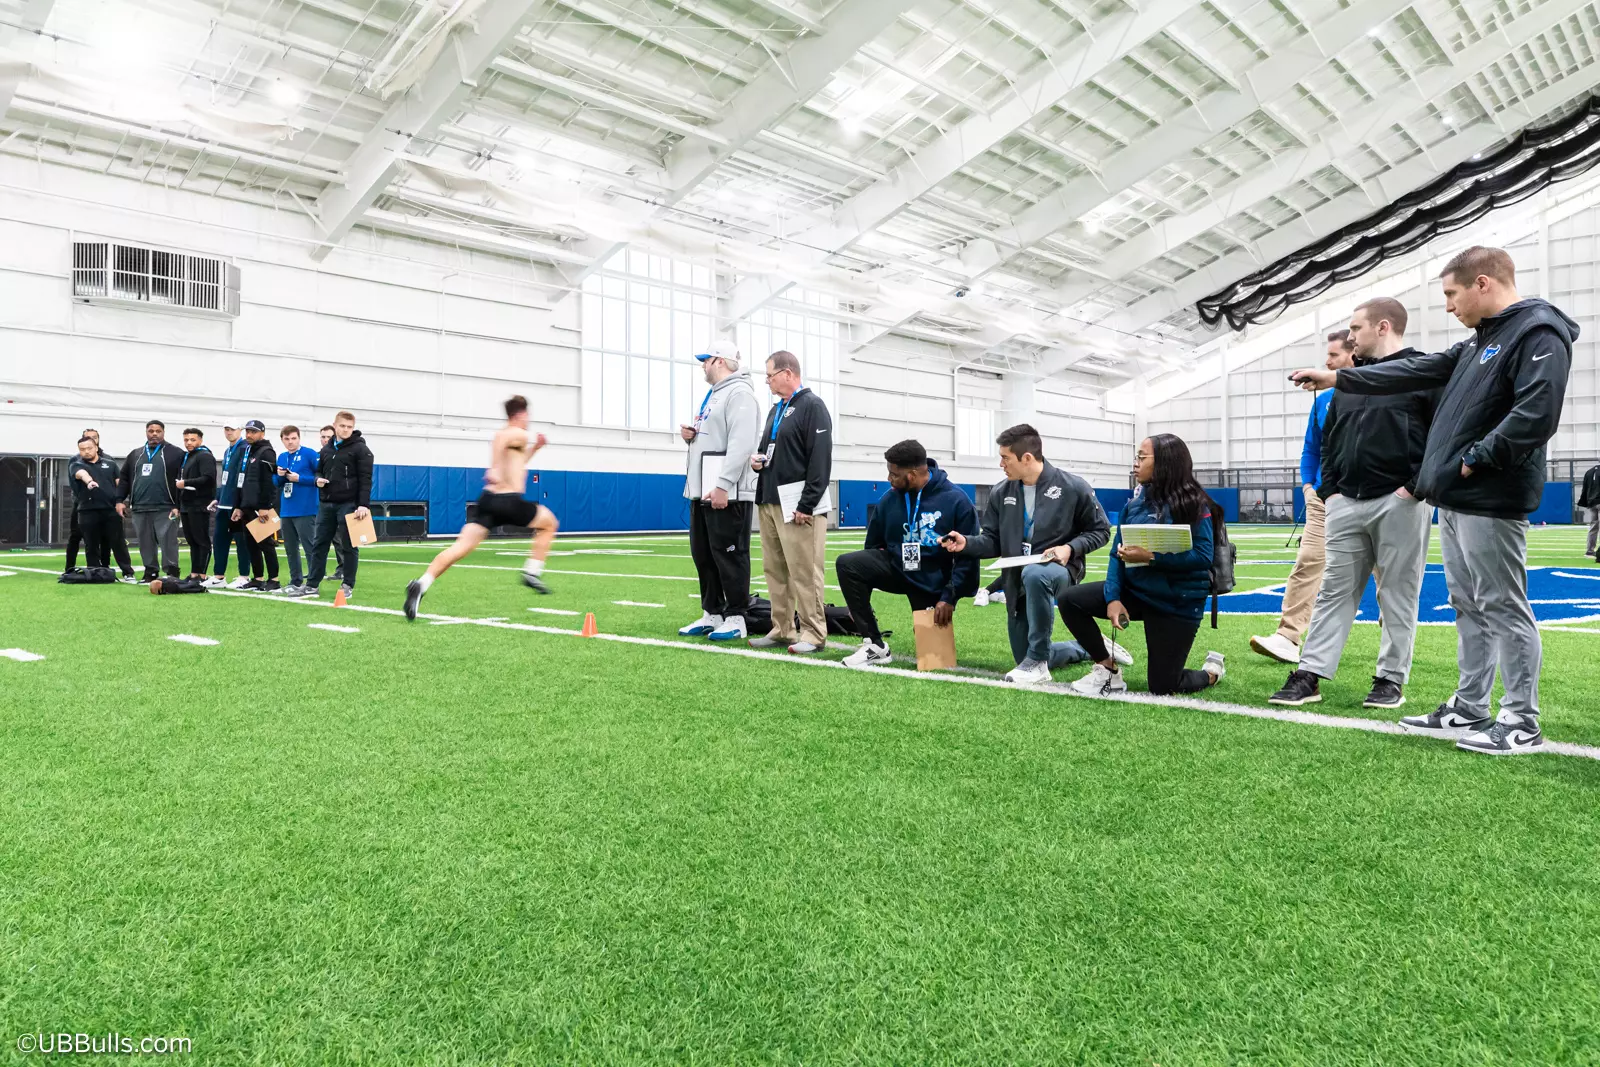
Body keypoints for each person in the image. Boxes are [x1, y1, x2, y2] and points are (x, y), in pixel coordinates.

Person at [1290, 246, 1577, 755]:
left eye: (1451, 293)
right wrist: (1339, 377)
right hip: (1459, 496)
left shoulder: (1537, 330)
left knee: (1503, 605)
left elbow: (1538, 410)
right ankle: (1470, 706)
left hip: (1491, 494)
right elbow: (1411, 372)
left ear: (1482, 283)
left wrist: (1479, 456)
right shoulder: (1477, 344)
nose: (1447, 305)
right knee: (1469, 604)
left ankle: (1522, 721)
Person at [1268, 299, 1438, 709]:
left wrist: (1415, 488)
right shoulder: (1348, 382)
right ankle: (1310, 673)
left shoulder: (1423, 372)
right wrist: (1331, 491)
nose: (1350, 337)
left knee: (1397, 593)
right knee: (1333, 592)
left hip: (1400, 501)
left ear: (1382, 327)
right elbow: (1331, 440)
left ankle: (1389, 679)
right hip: (1346, 502)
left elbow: (1441, 438)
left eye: (1356, 329)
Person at [940, 423, 1117, 685]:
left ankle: (1037, 662)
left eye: (1005, 458)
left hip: (1059, 570)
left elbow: (1101, 531)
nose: (1001, 464)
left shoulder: (1073, 487)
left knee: (1036, 574)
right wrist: (966, 543)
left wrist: (1070, 548)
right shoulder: (1001, 492)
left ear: (1026, 458)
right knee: (1021, 654)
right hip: (1016, 577)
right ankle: (1087, 646)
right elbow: (992, 541)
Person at [1058, 434, 1226, 697]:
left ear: (1165, 463)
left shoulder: (1194, 504)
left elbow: (1204, 557)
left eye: (1141, 457)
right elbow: (1117, 555)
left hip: (1177, 601)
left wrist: (1151, 557)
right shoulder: (1134, 505)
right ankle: (1107, 669)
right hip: (1139, 592)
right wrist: (1113, 598)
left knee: (1164, 686)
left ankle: (1211, 672)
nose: (1135, 463)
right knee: (1070, 600)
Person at [1249, 330, 1356, 664]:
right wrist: (1309, 485)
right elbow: (1312, 446)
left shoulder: (1380, 394)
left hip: (1371, 498)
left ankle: (1393, 640)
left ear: (1354, 355)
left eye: (1334, 356)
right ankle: (1288, 636)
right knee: (1308, 561)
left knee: (1386, 573)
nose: (1327, 362)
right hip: (1325, 498)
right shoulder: (1322, 401)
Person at [404, 396, 558, 619]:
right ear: (521, 414)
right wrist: (494, 467)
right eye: (527, 416)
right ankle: (532, 572)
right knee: (549, 523)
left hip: (489, 501)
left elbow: (517, 462)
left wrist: (536, 448)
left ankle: (421, 585)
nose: (528, 421)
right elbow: (500, 439)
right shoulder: (515, 432)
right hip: (508, 501)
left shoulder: (519, 441)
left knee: (460, 548)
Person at [837, 440, 979, 666]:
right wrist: (860, 600)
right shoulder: (889, 500)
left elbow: (968, 557)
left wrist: (949, 596)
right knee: (848, 564)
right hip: (898, 569)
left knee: (935, 662)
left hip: (932, 582)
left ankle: (931, 626)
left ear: (912, 475)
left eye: (893, 474)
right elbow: (873, 547)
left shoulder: (957, 501)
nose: (889, 479)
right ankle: (875, 645)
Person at [749, 350, 833, 654]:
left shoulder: (813, 406)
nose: (768, 381)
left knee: (805, 570)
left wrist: (806, 504)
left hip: (799, 505)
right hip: (769, 499)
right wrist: (756, 461)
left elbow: (820, 460)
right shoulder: (776, 410)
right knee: (775, 569)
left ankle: (813, 632)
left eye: (770, 375)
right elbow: (766, 448)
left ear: (787, 373)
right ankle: (782, 627)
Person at [678, 340, 761, 642]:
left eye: (706, 360)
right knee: (704, 554)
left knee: (730, 554)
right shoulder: (714, 396)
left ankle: (736, 616)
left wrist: (724, 485)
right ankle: (712, 612)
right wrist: (692, 436)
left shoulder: (740, 394)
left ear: (721, 361)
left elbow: (741, 443)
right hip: (703, 490)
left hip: (728, 493)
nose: (702, 365)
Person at [296, 410, 374, 600]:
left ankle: (347, 584)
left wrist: (363, 504)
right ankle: (312, 585)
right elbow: (318, 472)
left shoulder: (361, 450)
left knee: (348, 546)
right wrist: (318, 480)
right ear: (335, 426)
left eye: (349, 427)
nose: (346, 430)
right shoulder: (326, 450)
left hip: (349, 505)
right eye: (342, 426)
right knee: (319, 544)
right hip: (326, 504)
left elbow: (366, 479)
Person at [117, 419, 184, 582]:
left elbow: (183, 479)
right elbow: (124, 478)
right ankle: (151, 572)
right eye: (151, 431)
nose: (154, 434)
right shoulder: (135, 454)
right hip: (139, 507)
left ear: (163, 432)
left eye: (158, 431)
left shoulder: (176, 453)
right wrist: (120, 500)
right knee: (145, 542)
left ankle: (172, 572)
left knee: (168, 541)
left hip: (166, 507)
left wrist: (178, 505)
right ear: (146, 432)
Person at [233, 419, 281, 591]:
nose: (249, 435)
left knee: (265, 543)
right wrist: (238, 506)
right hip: (247, 506)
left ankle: (274, 579)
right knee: (250, 543)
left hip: (260, 507)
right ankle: (258, 578)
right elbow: (242, 481)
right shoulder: (247, 452)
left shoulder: (267, 452)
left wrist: (265, 506)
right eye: (247, 431)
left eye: (253, 432)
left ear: (262, 433)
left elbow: (268, 482)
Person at [204, 422, 252, 588]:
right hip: (224, 504)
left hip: (237, 505)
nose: (229, 432)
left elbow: (243, 478)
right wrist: (218, 497)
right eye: (227, 429)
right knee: (219, 541)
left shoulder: (244, 449)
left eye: (232, 429)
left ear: (240, 430)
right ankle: (219, 576)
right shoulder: (228, 450)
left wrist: (240, 503)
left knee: (241, 542)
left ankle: (244, 576)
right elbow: (226, 479)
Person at [274, 425, 321, 593]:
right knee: (290, 547)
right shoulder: (282, 457)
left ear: (299, 438)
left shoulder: (309, 454)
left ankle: (312, 584)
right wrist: (279, 476)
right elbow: (276, 483)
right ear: (282, 440)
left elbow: (320, 476)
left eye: (293, 438)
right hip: (287, 508)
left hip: (306, 508)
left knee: (310, 547)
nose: (290, 442)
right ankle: (295, 581)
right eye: (286, 439)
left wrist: (300, 478)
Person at [67, 435, 122, 571]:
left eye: (89, 448)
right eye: (82, 449)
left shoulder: (110, 463)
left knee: (113, 540)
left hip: (109, 508)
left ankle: (119, 570)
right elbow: (81, 473)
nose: (86, 451)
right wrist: (89, 481)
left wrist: (121, 499)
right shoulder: (76, 463)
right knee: (86, 541)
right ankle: (89, 569)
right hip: (85, 508)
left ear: (96, 446)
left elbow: (119, 482)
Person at [174, 428, 216, 580]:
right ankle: (194, 572)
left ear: (200, 440)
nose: (189, 443)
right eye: (186, 440)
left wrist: (186, 483)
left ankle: (202, 574)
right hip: (186, 503)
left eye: (192, 440)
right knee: (191, 540)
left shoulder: (204, 456)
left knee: (201, 539)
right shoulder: (188, 457)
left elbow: (208, 478)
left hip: (199, 503)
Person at [1579, 462, 1600, 560]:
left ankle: (1590, 550)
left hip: (1592, 502)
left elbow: (1585, 488)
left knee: (1593, 527)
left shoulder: (1589, 472)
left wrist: (1585, 502)